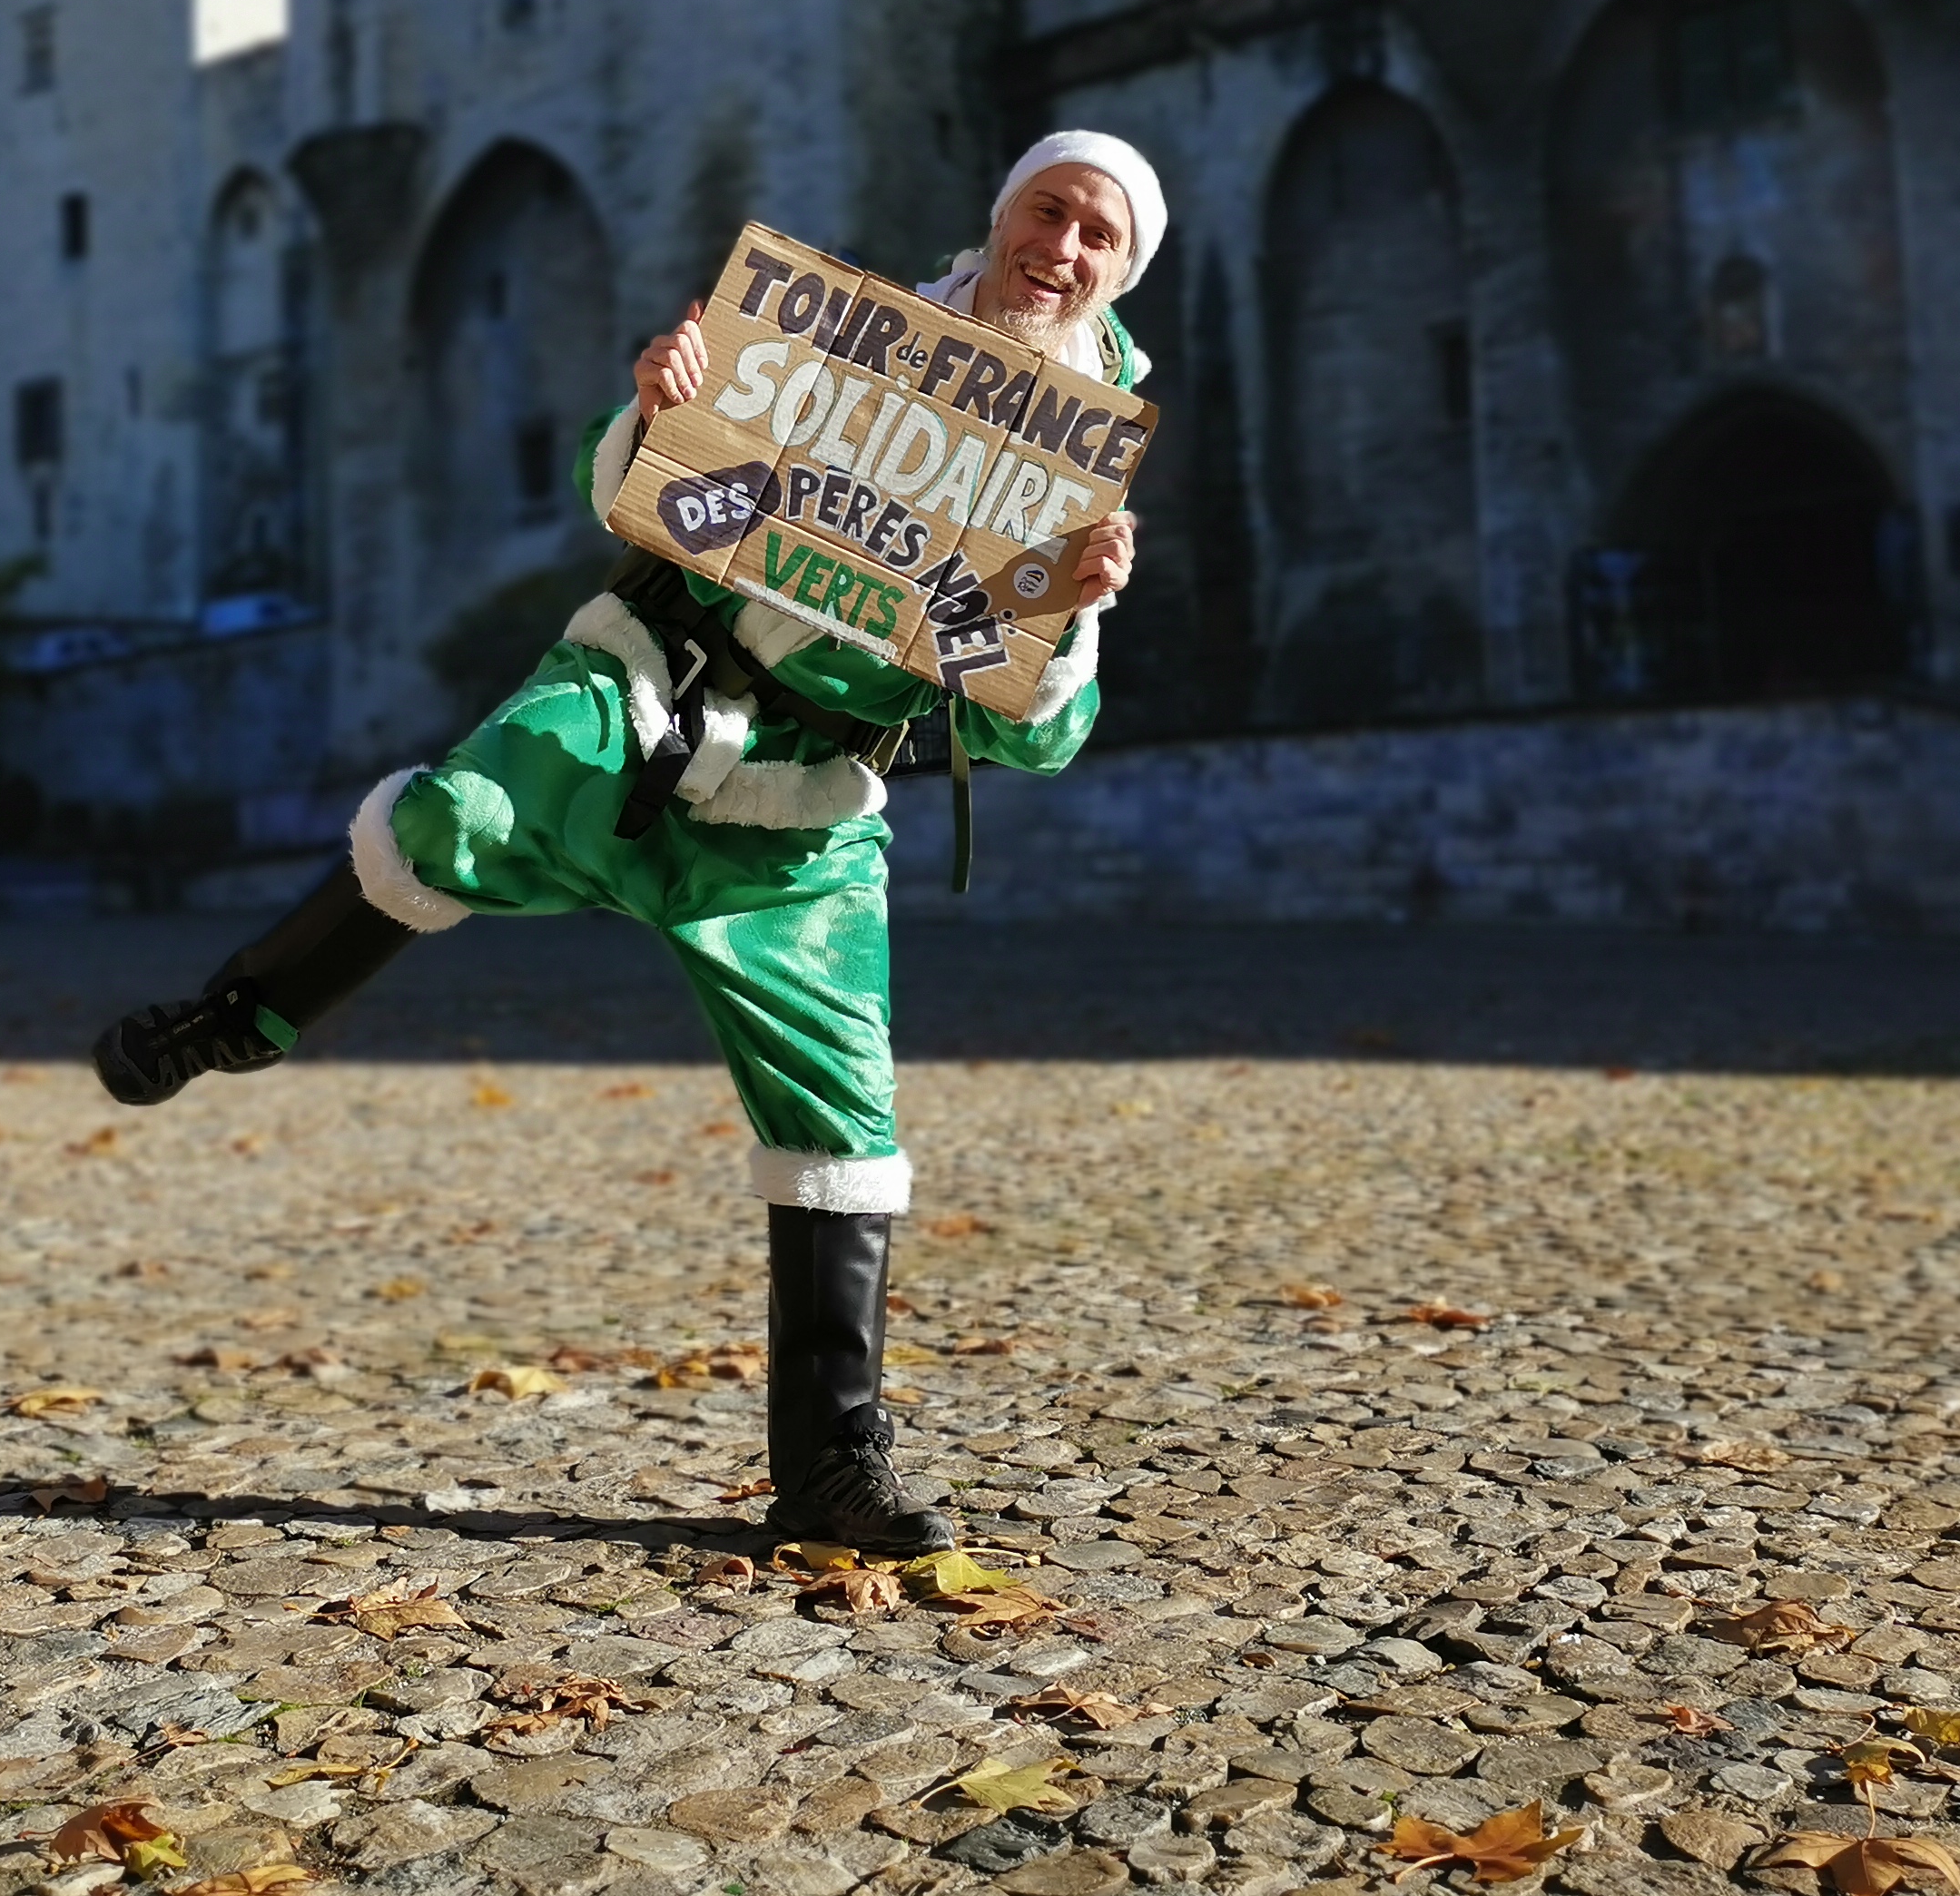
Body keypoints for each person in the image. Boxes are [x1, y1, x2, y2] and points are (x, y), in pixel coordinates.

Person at [91, 133, 1167, 1551]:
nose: (1065, 247)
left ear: (1122, 270)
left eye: (1101, 235)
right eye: (1051, 208)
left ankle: (830, 1469)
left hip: (805, 810)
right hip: (642, 690)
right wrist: (662, 409)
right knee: (452, 818)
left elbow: (1035, 738)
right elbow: (646, 500)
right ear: (1003, 205)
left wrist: (1077, 609)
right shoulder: (842, 339)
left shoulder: (1075, 463)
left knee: (844, 1125)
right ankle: (241, 1013)